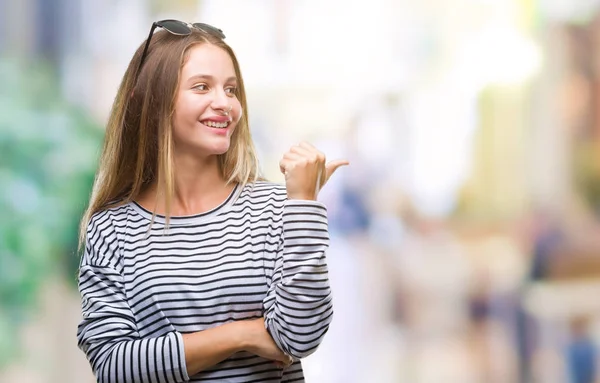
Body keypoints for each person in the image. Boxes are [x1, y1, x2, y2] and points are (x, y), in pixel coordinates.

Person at [76, 20, 348, 382]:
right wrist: (241, 334)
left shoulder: (274, 208)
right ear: (154, 101)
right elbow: (113, 367)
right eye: (202, 87)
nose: (224, 104)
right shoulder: (112, 228)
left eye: (231, 89)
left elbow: (299, 337)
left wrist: (303, 204)